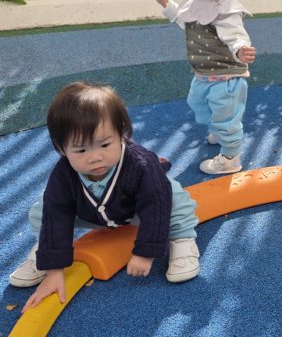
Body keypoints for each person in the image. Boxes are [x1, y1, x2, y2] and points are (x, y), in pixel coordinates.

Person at [8, 82, 201, 313]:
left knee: (171, 196)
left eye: (105, 144)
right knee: (44, 208)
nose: (95, 157)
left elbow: (155, 207)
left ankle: (182, 239)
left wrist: (145, 253)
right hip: (91, 214)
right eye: (81, 150)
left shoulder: (140, 165)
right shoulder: (63, 175)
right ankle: (45, 252)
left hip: (136, 212)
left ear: (121, 134)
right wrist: (54, 271)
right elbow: (56, 216)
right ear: (61, 148)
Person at [154, 0, 256, 175]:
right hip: (203, 74)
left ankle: (230, 157)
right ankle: (218, 129)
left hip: (227, 78)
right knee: (198, 104)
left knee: (226, 117)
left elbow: (235, 34)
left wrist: (241, 49)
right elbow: (185, 20)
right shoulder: (194, 0)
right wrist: (167, 4)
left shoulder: (227, 8)